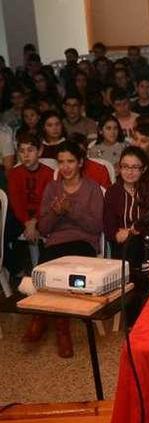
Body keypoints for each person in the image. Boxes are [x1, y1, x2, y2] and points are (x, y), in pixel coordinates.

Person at [26, 141, 104, 357]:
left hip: (83, 242)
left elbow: (96, 227)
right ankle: (43, 318)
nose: (66, 167)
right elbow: (44, 228)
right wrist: (56, 212)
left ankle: (60, 329)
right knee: (47, 263)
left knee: (64, 269)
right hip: (56, 242)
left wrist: (70, 211)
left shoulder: (92, 188)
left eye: (70, 161)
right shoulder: (52, 188)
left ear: (80, 162)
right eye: (61, 162)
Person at [103, 146, 149, 325]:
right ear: (119, 168)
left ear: (144, 169)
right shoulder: (113, 191)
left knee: (134, 247)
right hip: (125, 245)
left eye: (135, 167)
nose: (129, 172)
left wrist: (133, 231)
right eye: (125, 166)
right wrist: (117, 235)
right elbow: (109, 227)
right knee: (131, 250)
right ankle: (139, 315)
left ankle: (135, 318)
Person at [7, 135, 54, 277]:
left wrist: (34, 221)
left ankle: (43, 273)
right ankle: (17, 270)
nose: (25, 155)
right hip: (21, 217)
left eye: (30, 150)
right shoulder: (14, 173)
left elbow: (48, 202)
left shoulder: (49, 173)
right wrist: (27, 222)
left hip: (43, 216)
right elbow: (16, 202)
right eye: (21, 151)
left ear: (39, 152)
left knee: (52, 231)